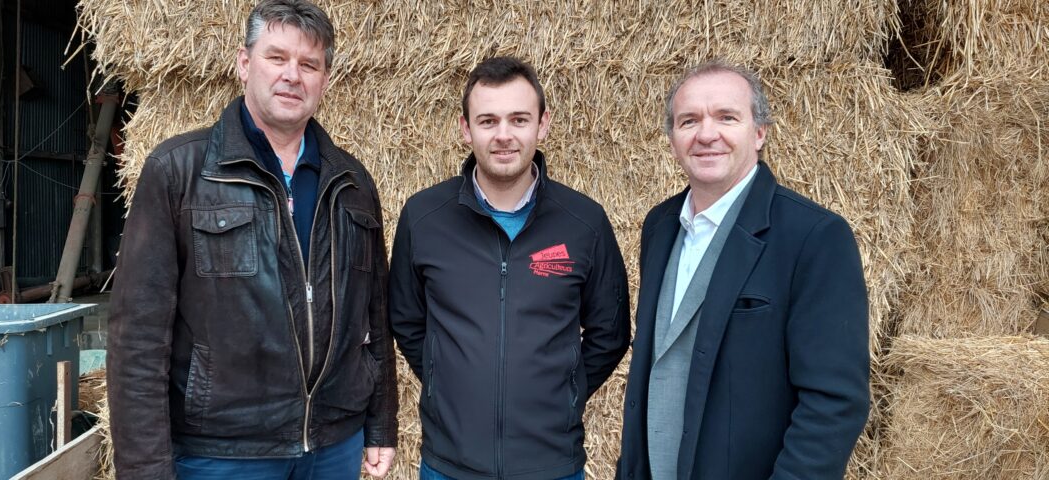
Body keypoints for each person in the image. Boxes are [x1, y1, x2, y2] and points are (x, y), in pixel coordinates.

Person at [106, 1, 396, 478]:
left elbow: (375, 316)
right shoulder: (179, 170)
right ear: (244, 64)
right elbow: (137, 337)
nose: (292, 75)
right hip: (222, 452)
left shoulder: (352, 183)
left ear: (325, 79)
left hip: (333, 445)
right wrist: (144, 469)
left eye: (309, 64)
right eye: (276, 58)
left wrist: (381, 423)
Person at [616, 60, 871, 480]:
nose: (706, 134)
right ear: (673, 138)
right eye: (689, 120)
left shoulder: (814, 237)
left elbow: (834, 403)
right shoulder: (659, 227)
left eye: (726, 117)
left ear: (759, 133)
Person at [389, 56, 631, 480]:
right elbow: (407, 321)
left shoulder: (584, 222)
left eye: (519, 119)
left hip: (551, 465)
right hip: (450, 466)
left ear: (543, 124)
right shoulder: (424, 217)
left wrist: (564, 395)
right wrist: (444, 380)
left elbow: (609, 334)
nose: (504, 135)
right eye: (488, 121)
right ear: (466, 129)